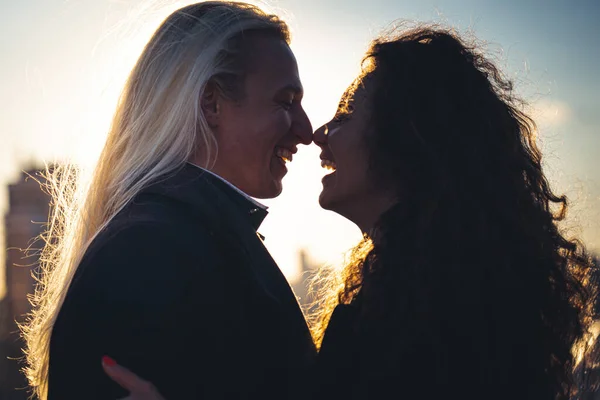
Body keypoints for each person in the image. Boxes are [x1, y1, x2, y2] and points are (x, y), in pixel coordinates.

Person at [102, 25, 597, 400]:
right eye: (286, 101)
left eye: (346, 112)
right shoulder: (433, 290)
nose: (317, 133)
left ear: (407, 137)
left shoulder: (429, 316)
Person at [21, 2, 316, 400]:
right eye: (285, 101)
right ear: (211, 103)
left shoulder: (183, 237)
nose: (306, 129)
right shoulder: (151, 251)